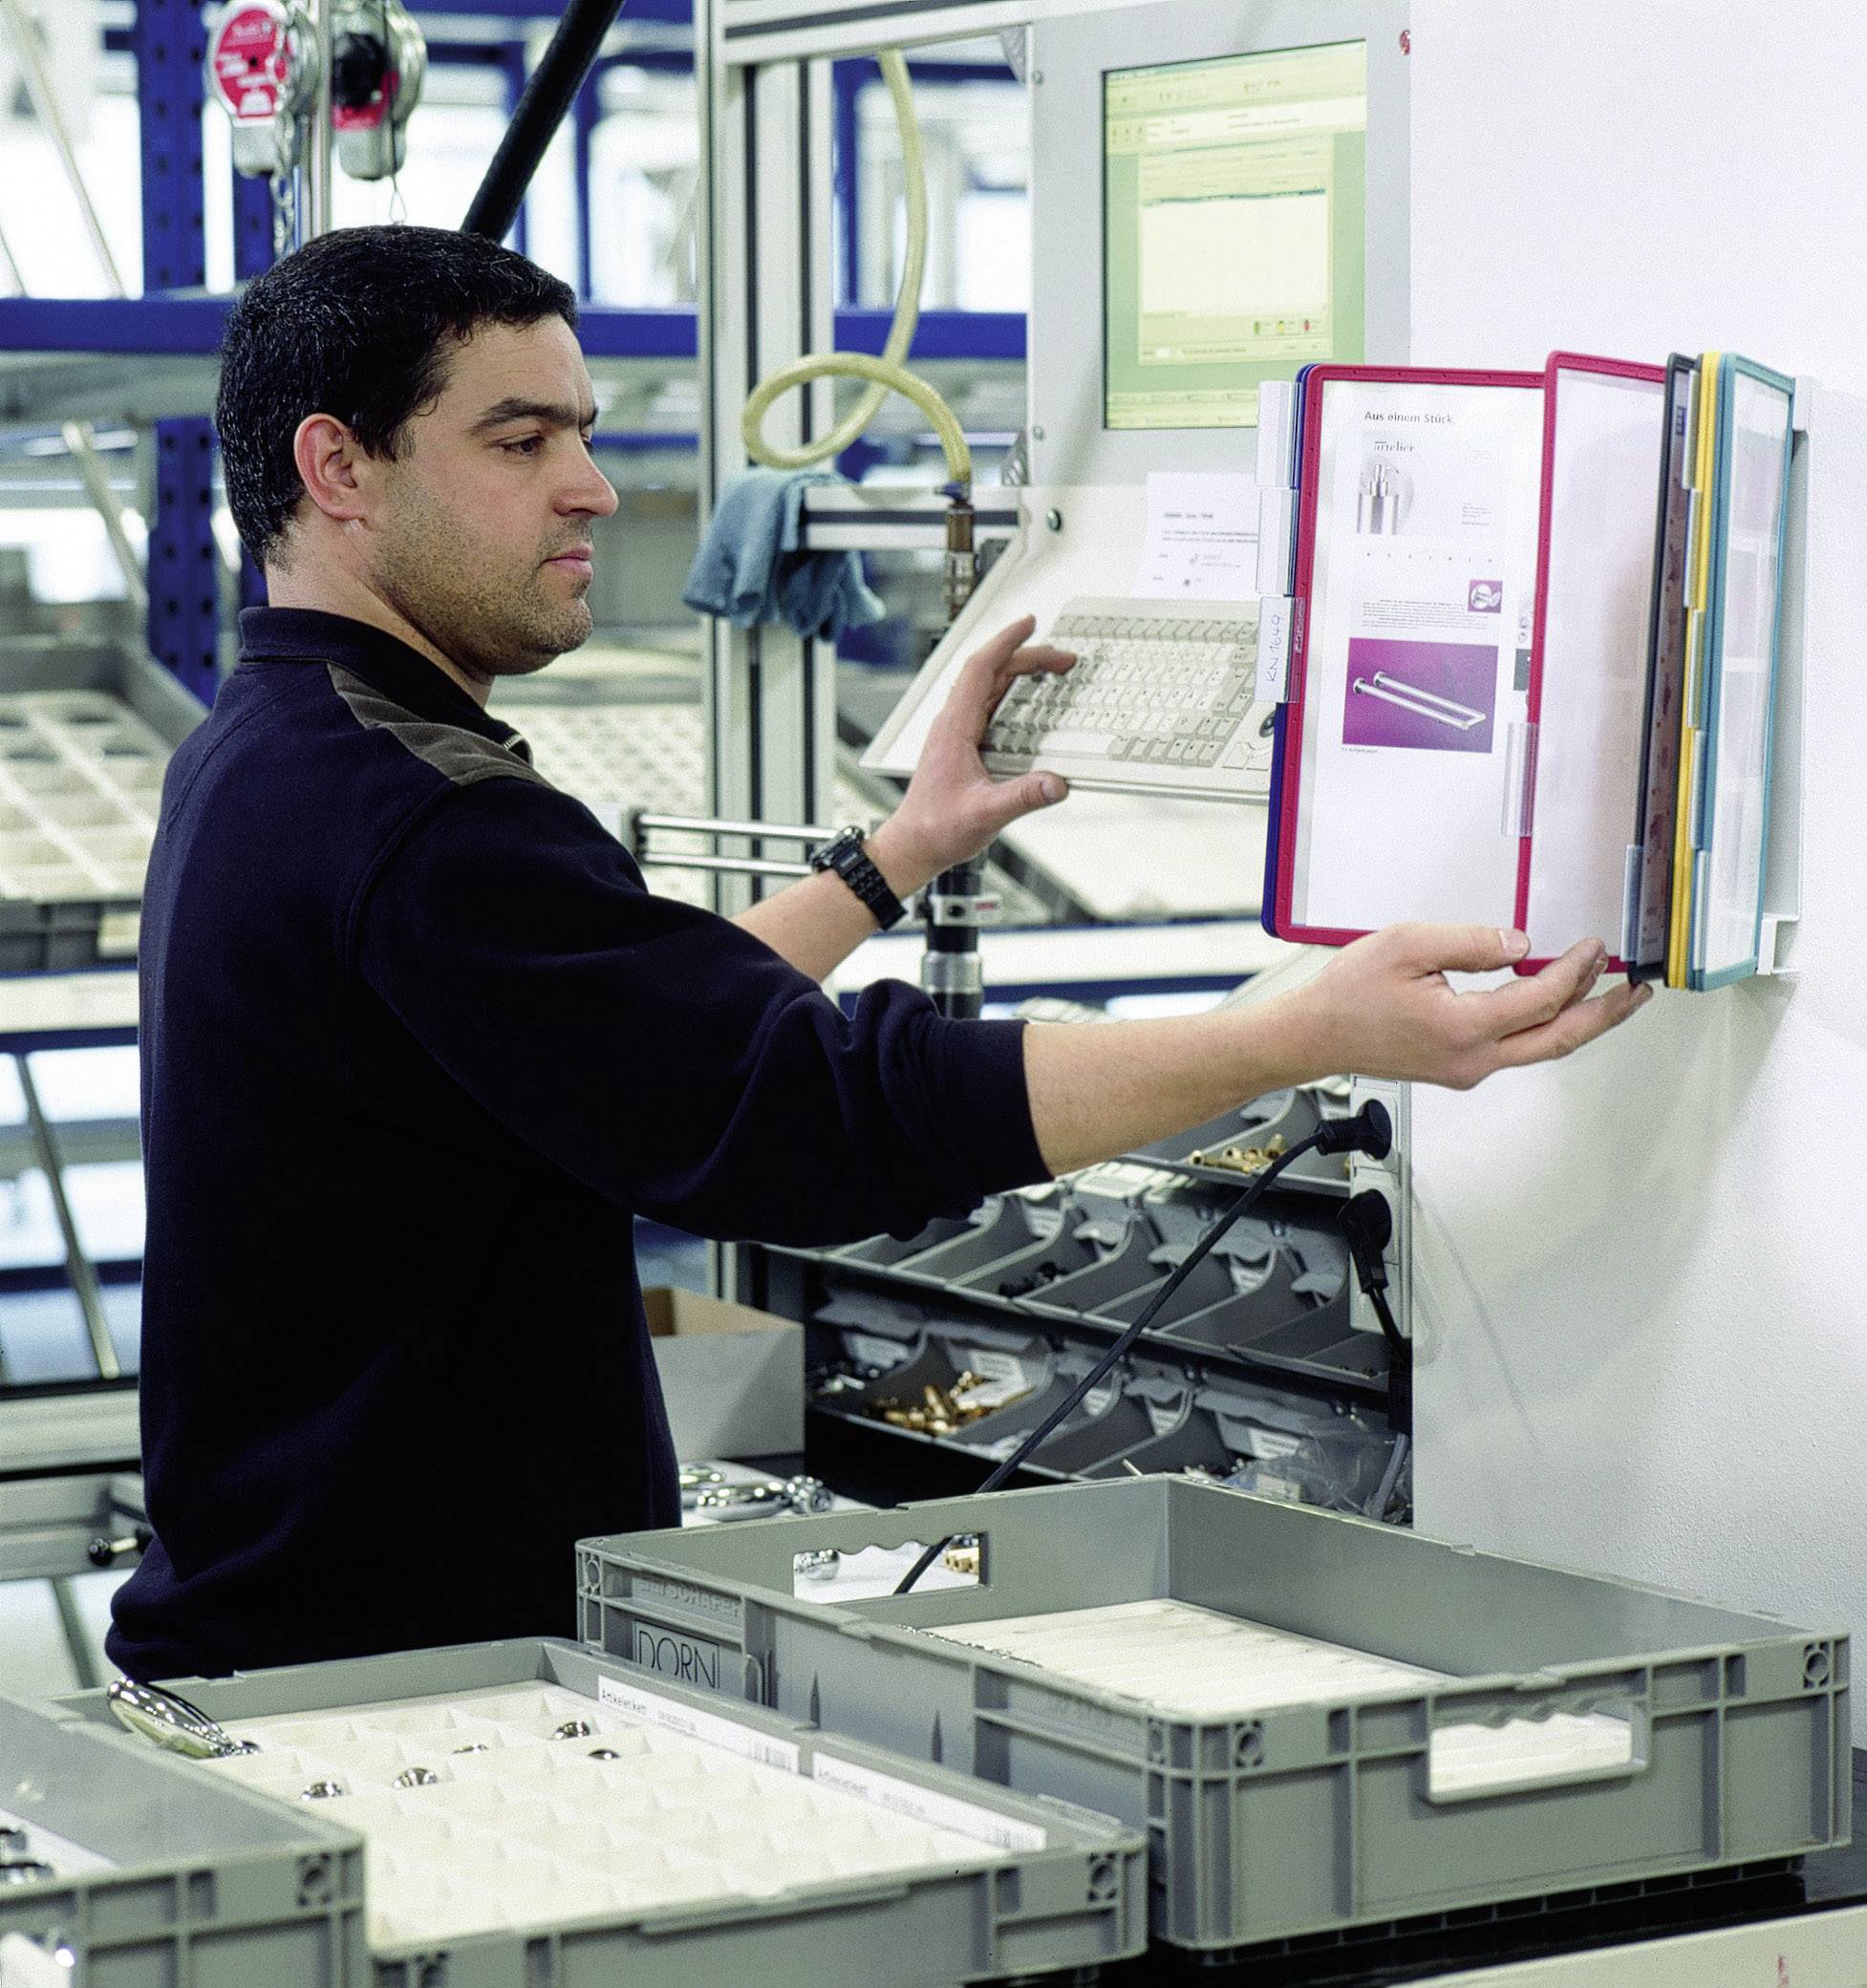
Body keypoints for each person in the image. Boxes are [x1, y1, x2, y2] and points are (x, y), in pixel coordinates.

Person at [107, 226, 1646, 1681]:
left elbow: (646, 1032)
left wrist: (900, 848)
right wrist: (1297, 1032)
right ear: (338, 467)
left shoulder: (276, 749)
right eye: (522, 442)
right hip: (389, 1694)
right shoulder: (418, 815)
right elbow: (807, 1113)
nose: (594, 488)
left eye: (582, 430)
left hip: (300, 1637)